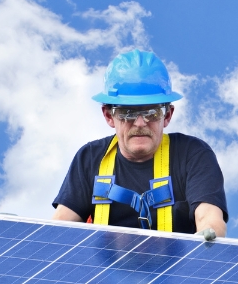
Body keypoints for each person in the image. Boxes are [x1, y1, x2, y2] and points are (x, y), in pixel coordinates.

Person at [53, 50, 228, 236]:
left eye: (151, 112)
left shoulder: (193, 155)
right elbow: (61, 226)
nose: (140, 123)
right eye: (127, 113)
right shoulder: (89, 158)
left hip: (178, 264)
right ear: (108, 116)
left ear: (167, 115)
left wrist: (209, 236)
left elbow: (208, 217)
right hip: (104, 265)